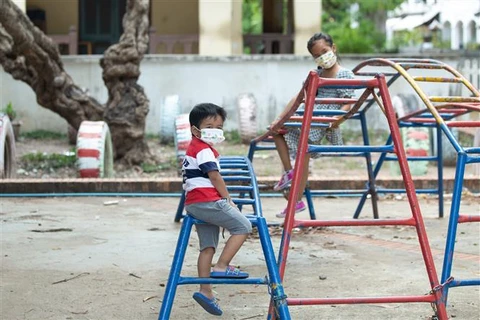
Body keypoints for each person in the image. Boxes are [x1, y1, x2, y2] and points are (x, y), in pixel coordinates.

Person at [269, 32, 355, 218]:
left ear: (333, 48)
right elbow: (298, 98)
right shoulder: (315, 74)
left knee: (303, 155)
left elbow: (349, 102)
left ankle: (296, 200)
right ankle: (288, 173)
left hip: (322, 120)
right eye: (317, 55)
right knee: (276, 131)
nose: (322, 57)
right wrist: (279, 119)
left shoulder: (344, 74)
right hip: (307, 115)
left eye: (325, 51)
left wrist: (336, 121)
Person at [182, 103, 253, 316]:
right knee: (243, 226)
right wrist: (227, 198)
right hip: (208, 201)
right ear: (196, 130)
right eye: (210, 126)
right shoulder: (203, 150)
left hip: (194, 204)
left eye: (219, 127)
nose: (215, 131)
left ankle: (206, 291)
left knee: (207, 247)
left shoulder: (195, 148)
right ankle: (222, 266)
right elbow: (214, 176)